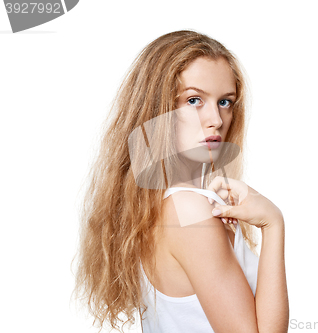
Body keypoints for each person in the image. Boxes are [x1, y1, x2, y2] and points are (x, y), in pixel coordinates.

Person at [73, 30, 289, 333]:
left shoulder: (160, 206)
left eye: (225, 101)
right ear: (156, 108)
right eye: (194, 99)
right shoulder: (190, 210)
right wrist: (273, 224)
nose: (215, 118)